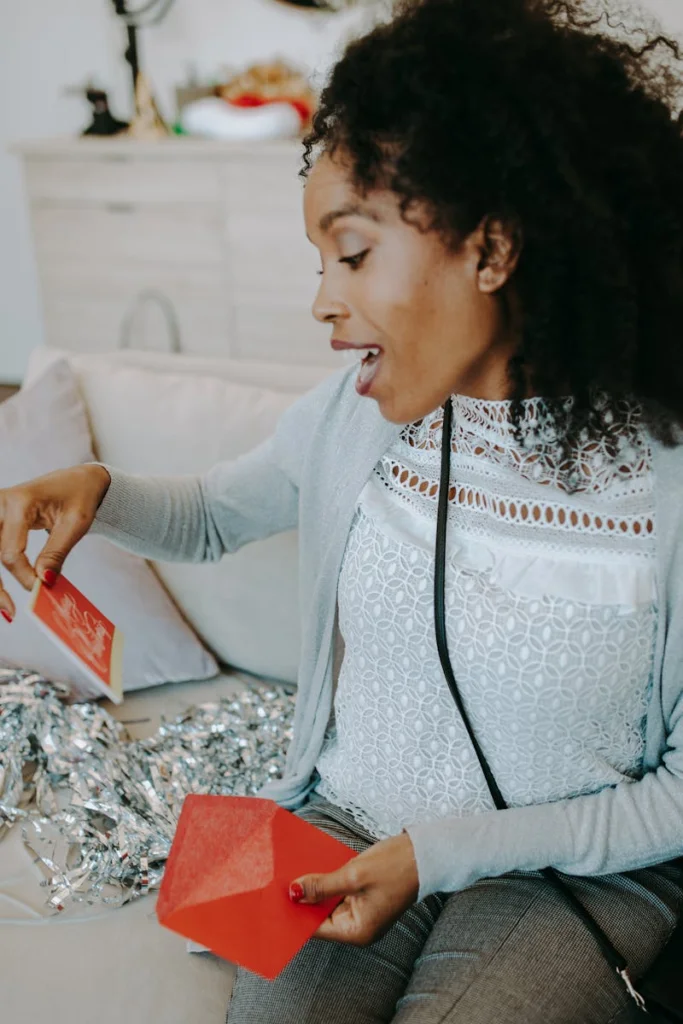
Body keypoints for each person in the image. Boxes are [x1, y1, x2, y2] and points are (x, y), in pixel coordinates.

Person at [2, 0, 683, 1019]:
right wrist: (102, 493)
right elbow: (212, 516)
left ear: (490, 250)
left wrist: (441, 854)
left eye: (352, 254)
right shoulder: (354, 415)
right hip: (342, 824)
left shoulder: (661, 485)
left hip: (559, 876)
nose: (322, 301)